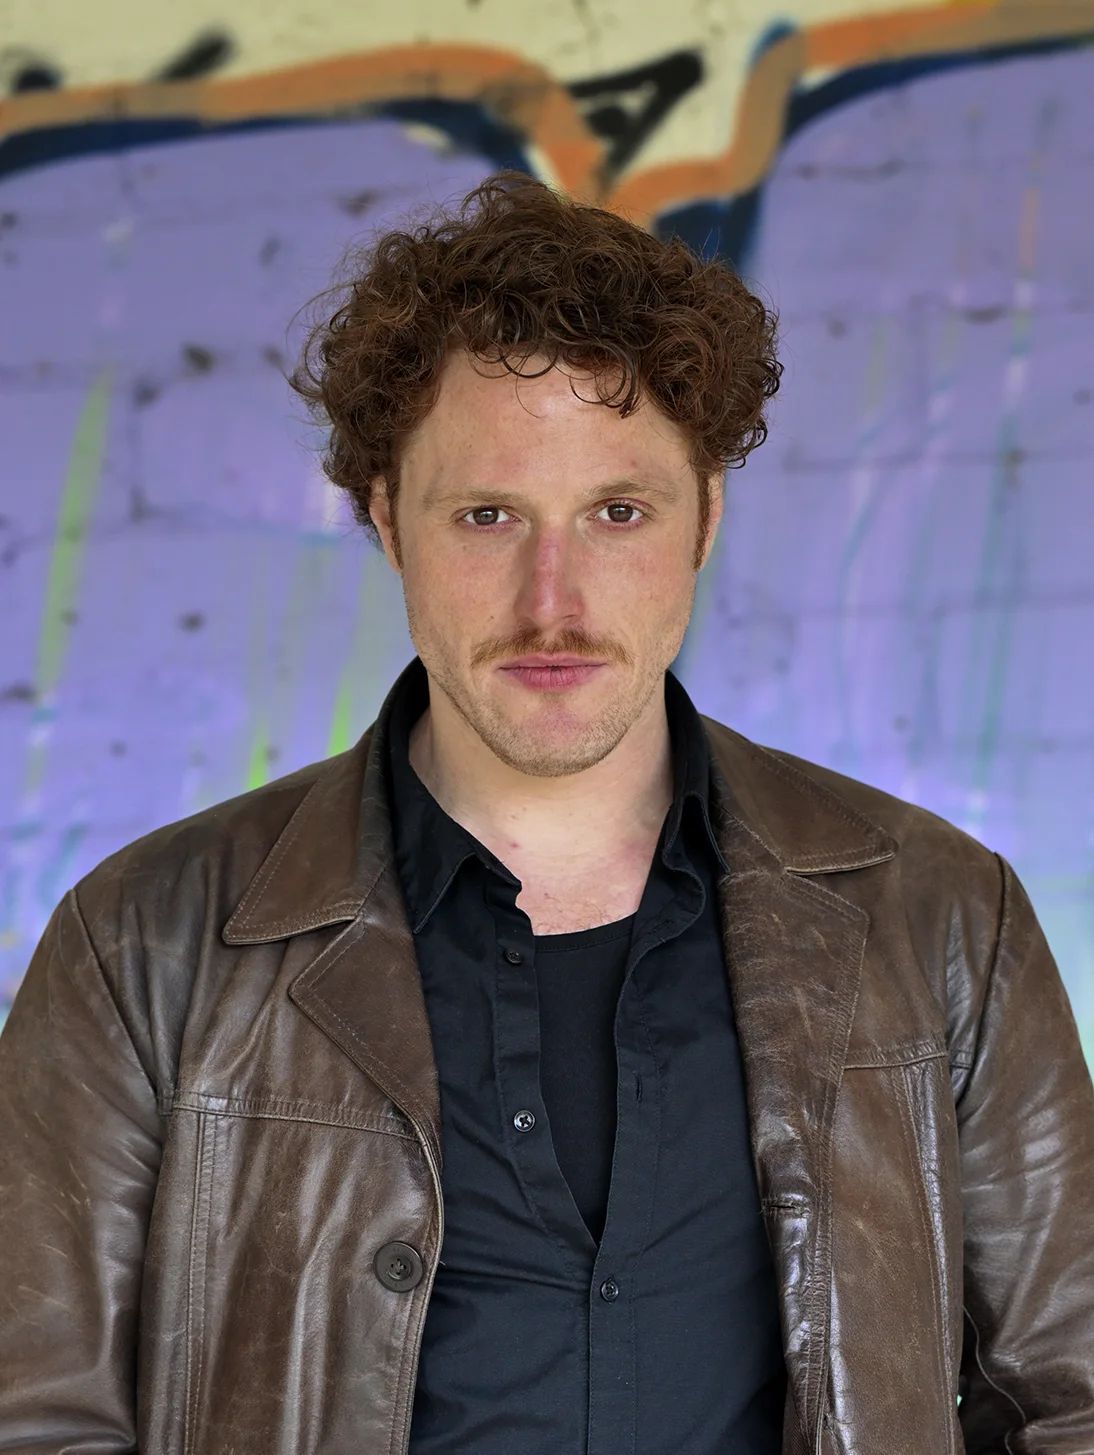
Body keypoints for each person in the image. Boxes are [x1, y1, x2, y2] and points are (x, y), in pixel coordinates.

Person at [1, 170, 1091, 1455]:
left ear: (704, 520)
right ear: (386, 522)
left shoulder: (941, 914)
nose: (551, 601)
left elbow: (1070, 1400)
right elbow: (35, 1422)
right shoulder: (145, 941)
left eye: (616, 513)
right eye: (487, 516)